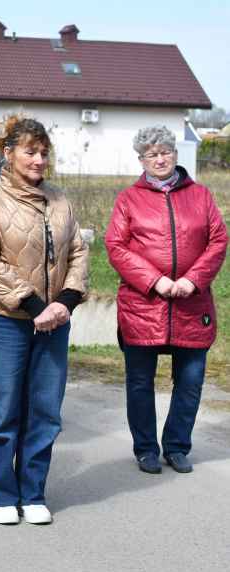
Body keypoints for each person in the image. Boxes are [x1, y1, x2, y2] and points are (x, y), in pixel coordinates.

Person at [0, 116, 89, 525]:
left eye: (43, 152)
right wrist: (36, 305)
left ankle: (32, 491)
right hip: (6, 320)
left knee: (45, 412)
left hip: (55, 322)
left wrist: (66, 301)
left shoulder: (60, 200)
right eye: (29, 151)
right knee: (2, 411)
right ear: (8, 153)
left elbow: (78, 251)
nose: (38, 160)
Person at [105, 125, 227, 475]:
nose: (159, 159)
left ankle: (176, 446)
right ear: (141, 160)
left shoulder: (201, 195)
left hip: (192, 304)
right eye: (151, 154)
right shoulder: (128, 199)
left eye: (165, 152)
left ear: (175, 153)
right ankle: (145, 449)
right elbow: (116, 246)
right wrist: (154, 280)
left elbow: (218, 241)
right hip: (142, 306)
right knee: (140, 382)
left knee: (190, 381)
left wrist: (192, 280)